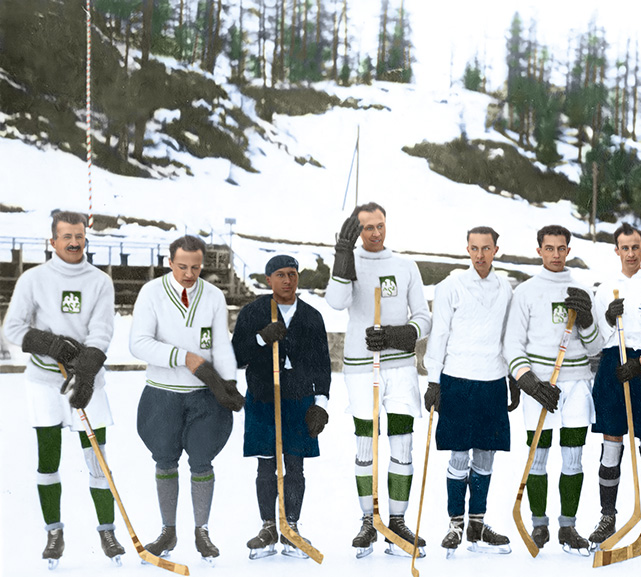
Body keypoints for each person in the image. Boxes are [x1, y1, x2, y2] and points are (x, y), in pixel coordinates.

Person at [3, 210, 123, 565]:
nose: (74, 243)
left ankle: (108, 532)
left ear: (86, 239)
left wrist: (85, 370)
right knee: (48, 457)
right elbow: (12, 329)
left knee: (97, 459)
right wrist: (48, 343)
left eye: (79, 237)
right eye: (66, 237)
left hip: (87, 379)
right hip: (44, 382)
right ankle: (54, 533)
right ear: (52, 241)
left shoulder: (100, 281)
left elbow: (102, 331)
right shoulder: (33, 279)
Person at [326, 202, 432, 556]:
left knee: (402, 442)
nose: (375, 233)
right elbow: (336, 301)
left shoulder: (404, 266)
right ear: (357, 231)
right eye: (367, 228)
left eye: (380, 225)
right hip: (360, 366)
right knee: (366, 443)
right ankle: (368, 520)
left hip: (400, 367)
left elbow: (423, 317)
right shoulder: (351, 263)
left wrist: (398, 335)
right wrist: (343, 254)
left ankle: (397, 522)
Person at [130, 234, 243, 562]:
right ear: (170, 262)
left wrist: (230, 382)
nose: (189, 273)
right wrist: (184, 357)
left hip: (203, 397)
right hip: (162, 395)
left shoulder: (214, 296)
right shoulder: (151, 293)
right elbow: (139, 343)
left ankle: (201, 531)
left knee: (202, 462)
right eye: (182, 266)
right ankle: (168, 531)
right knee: (165, 460)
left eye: (195, 267)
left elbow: (220, 344)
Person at [503, 224, 603, 554]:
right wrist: (528, 381)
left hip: (574, 385)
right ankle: (539, 524)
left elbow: (595, 348)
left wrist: (587, 320)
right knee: (538, 459)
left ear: (569, 251)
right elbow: (512, 343)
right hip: (539, 388)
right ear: (539, 250)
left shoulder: (581, 288)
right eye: (549, 248)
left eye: (562, 248)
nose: (556, 255)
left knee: (573, 458)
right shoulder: (527, 292)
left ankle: (568, 527)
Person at [424, 226, 518, 555]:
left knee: (486, 453)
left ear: (496, 250)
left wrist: (512, 377)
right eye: (474, 248)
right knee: (459, 453)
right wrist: (433, 380)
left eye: (486, 248)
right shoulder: (451, 286)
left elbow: (509, 336)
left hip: (492, 379)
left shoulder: (506, 288)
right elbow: (438, 335)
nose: (480, 254)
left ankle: (477, 525)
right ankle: (455, 524)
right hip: (457, 378)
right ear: (467, 249)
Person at [232, 255, 331, 559]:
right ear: (268, 280)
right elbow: (235, 355)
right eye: (280, 275)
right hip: (263, 397)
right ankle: (268, 528)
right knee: (266, 463)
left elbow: (322, 364)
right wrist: (261, 339)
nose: (288, 280)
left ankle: (291, 528)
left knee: (295, 464)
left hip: (299, 399)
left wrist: (321, 403)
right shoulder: (253, 312)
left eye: (293, 274)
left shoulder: (312, 316)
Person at [586, 223, 641, 547]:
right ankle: (608, 516)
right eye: (625, 247)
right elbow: (594, 339)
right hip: (613, 363)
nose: (631, 253)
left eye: (636, 247)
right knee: (612, 443)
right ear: (617, 250)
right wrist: (608, 318)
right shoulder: (606, 287)